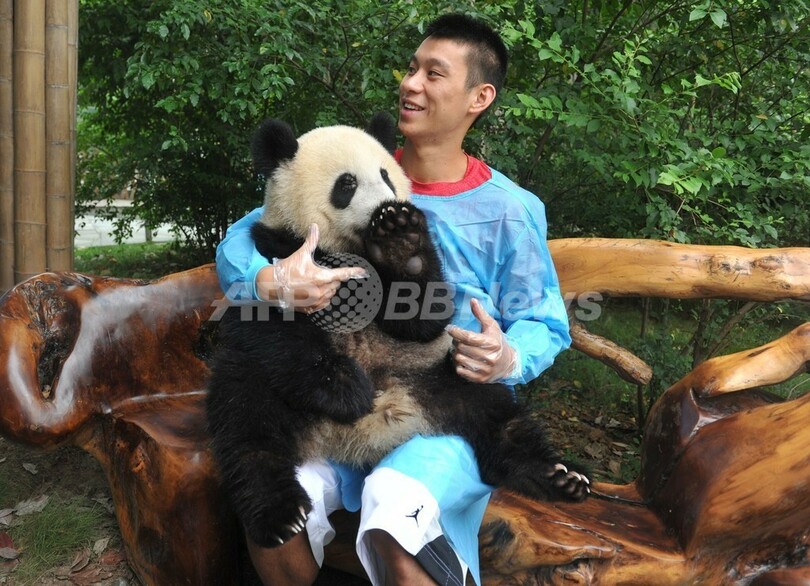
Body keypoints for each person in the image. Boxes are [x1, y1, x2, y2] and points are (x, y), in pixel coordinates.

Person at [215, 13, 571, 586]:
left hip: (439, 394)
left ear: (479, 97)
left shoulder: (510, 210)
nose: (411, 84)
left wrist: (510, 356)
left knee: (393, 504)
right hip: (328, 393)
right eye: (411, 68)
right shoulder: (347, 159)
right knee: (277, 501)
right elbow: (246, 240)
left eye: (434, 73)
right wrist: (268, 282)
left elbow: (543, 320)